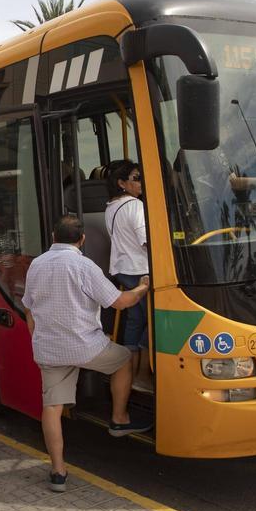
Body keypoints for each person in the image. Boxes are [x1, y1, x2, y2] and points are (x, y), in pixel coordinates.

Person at [22, 215, 151, 493]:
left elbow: (29, 309)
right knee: (124, 359)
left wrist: (39, 339)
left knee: (52, 408)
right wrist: (143, 287)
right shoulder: (84, 265)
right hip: (86, 347)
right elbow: (120, 302)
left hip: (49, 349)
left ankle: (58, 471)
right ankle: (119, 419)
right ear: (81, 240)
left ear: (53, 237)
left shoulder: (37, 264)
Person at [104, 160, 154, 394]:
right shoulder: (135, 206)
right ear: (121, 183)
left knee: (135, 319)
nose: (141, 182)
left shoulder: (111, 207)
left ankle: (130, 374)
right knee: (153, 321)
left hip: (122, 269)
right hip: (140, 270)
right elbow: (147, 242)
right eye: (136, 178)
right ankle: (143, 375)